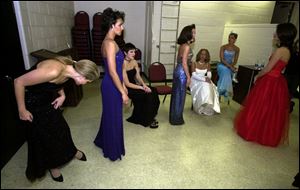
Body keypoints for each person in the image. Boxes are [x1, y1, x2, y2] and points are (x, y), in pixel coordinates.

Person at [14, 56, 100, 182]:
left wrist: (62, 95)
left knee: (62, 129)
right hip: (31, 101)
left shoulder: (69, 69)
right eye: (88, 81)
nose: (86, 84)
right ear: (82, 76)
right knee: (45, 136)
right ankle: (53, 166)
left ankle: (71, 151)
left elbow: (58, 83)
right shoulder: (54, 70)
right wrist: (22, 109)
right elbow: (18, 82)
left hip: (45, 99)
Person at [234, 23, 297, 147]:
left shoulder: (280, 50)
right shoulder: (288, 51)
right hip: (277, 80)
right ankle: (264, 133)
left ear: (282, 34)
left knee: (260, 107)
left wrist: (258, 76)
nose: (274, 34)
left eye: (277, 32)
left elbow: (268, 68)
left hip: (270, 81)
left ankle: (252, 131)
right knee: (270, 109)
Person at [93, 7, 129, 161]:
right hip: (111, 85)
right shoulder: (109, 43)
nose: (122, 27)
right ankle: (112, 149)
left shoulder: (111, 42)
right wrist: (122, 92)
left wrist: (124, 84)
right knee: (113, 116)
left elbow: (119, 70)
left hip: (114, 83)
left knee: (110, 114)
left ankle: (103, 140)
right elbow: (113, 71)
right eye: (120, 24)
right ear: (112, 25)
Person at [122, 43, 160, 128]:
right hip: (127, 88)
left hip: (135, 85)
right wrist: (141, 87)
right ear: (125, 53)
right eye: (131, 52)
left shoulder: (134, 61)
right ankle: (146, 119)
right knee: (146, 95)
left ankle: (150, 116)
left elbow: (138, 76)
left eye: (134, 52)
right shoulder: (122, 64)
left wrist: (144, 85)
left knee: (153, 91)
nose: (134, 54)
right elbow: (127, 83)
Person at [169, 24, 196, 125]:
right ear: (188, 33)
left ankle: (174, 117)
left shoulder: (182, 45)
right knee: (180, 95)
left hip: (178, 70)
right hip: (182, 72)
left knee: (176, 95)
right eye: (193, 32)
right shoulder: (187, 46)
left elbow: (179, 60)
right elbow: (185, 63)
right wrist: (189, 77)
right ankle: (176, 119)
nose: (194, 34)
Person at [190, 49, 220, 115]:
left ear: (207, 56)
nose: (203, 56)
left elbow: (209, 74)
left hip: (204, 80)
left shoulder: (207, 64)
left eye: (205, 54)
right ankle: (201, 106)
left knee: (210, 86)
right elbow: (194, 75)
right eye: (202, 54)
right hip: (195, 80)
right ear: (199, 55)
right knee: (204, 85)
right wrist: (204, 80)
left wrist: (208, 78)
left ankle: (208, 105)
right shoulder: (194, 63)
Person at [217, 32, 240, 104]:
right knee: (226, 70)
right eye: (229, 37)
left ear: (235, 39)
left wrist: (231, 66)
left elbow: (235, 61)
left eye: (232, 38)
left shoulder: (237, 49)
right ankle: (227, 92)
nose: (230, 39)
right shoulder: (223, 47)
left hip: (229, 67)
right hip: (221, 65)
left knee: (226, 72)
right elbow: (222, 59)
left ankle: (219, 92)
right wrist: (230, 67)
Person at [284, 39, 299, 113]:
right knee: (284, 91)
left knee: (291, 92)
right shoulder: (291, 51)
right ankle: (286, 105)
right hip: (287, 74)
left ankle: (289, 104)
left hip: (296, 77)